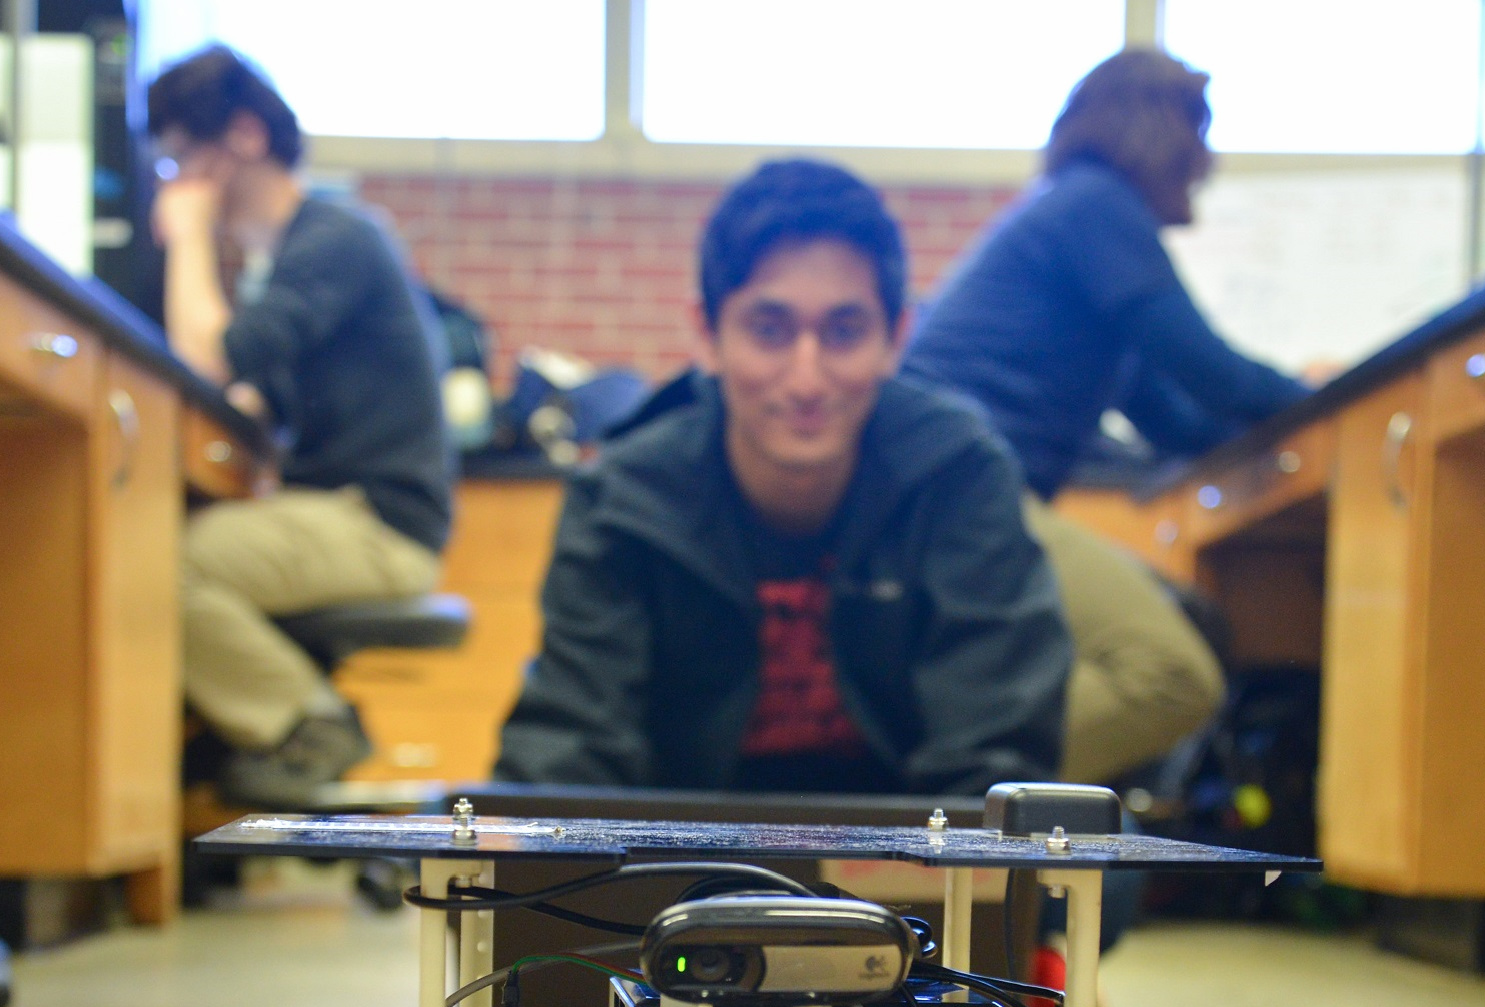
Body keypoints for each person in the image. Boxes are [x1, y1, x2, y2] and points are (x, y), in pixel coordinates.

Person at [492, 160, 1068, 795]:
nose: (806, 380)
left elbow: (995, 750)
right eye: (769, 331)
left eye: (844, 332)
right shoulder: (621, 502)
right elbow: (573, 751)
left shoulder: (959, 475)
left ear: (895, 338)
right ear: (707, 336)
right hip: (676, 871)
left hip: (908, 873)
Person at [902, 48, 1310, 785]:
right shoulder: (1096, 207)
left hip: (951, 486)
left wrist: (1263, 416)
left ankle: (969, 785)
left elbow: (1175, 417)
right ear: (1160, 132)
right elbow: (1213, 373)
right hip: (952, 490)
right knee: (1169, 672)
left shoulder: (1074, 223)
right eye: (1199, 133)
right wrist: (1315, 397)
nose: (1206, 159)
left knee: (1182, 624)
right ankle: (935, 789)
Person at [147, 46, 455, 806]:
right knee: (178, 551)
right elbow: (253, 392)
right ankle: (260, 730)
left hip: (377, 523)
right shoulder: (296, 256)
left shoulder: (335, 238)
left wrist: (187, 236)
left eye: (184, 158)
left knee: (164, 563)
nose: (178, 183)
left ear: (244, 137)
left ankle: (307, 721)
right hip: (352, 512)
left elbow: (212, 356)